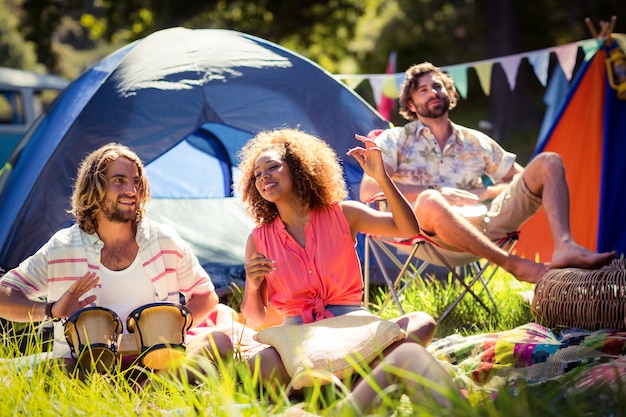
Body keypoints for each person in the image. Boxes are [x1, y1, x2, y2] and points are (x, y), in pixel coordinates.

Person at [237, 128, 458, 414]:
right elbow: (255, 320)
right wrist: (252, 285)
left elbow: (407, 229)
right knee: (256, 365)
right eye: (257, 174)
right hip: (298, 337)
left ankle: (335, 389)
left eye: (273, 167)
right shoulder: (258, 239)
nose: (263, 176)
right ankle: (363, 384)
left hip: (353, 327)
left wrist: (382, 178)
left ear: (299, 168)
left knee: (421, 322)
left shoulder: (344, 213)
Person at [359, 62, 616, 284]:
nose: (433, 93)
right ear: (411, 105)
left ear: (449, 93)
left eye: (438, 86)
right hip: (423, 233)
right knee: (430, 201)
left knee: (548, 162)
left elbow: (521, 180)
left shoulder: (476, 141)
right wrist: (435, 192)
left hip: (481, 226)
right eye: (423, 90)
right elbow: (369, 190)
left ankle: (564, 245)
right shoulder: (395, 139)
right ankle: (512, 264)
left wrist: (484, 191)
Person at [0, 143, 232, 381]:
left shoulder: (163, 240)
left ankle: (149, 385)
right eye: (119, 180)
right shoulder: (63, 247)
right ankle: (138, 390)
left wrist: (176, 328)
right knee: (58, 370)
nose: (132, 189)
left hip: (157, 363)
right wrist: (51, 310)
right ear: (95, 188)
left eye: (137, 182)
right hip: (85, 364)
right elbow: (4, 295)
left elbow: (206, 296)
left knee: (219, 342)